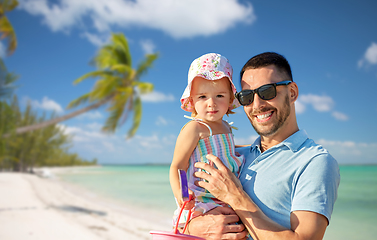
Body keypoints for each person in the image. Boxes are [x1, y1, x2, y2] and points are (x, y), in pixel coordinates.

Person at [186, 52, 340, 240]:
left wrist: (235, 196)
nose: (257, 104)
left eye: (267, 91)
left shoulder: (315, 162)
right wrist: (192, 228)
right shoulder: (233, 155)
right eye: (247, 96)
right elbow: (188, 208)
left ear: (292, 92)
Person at [169, 53, 244, 228]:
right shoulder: (195, 128)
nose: (211, 103)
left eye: (219, 96)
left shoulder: (226, 126)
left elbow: (227, 151)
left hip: (228, 197)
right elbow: (178, 165)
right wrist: (182, 193)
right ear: (192, 100)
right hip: (203, 201)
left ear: (230, 98)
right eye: (202, 97)